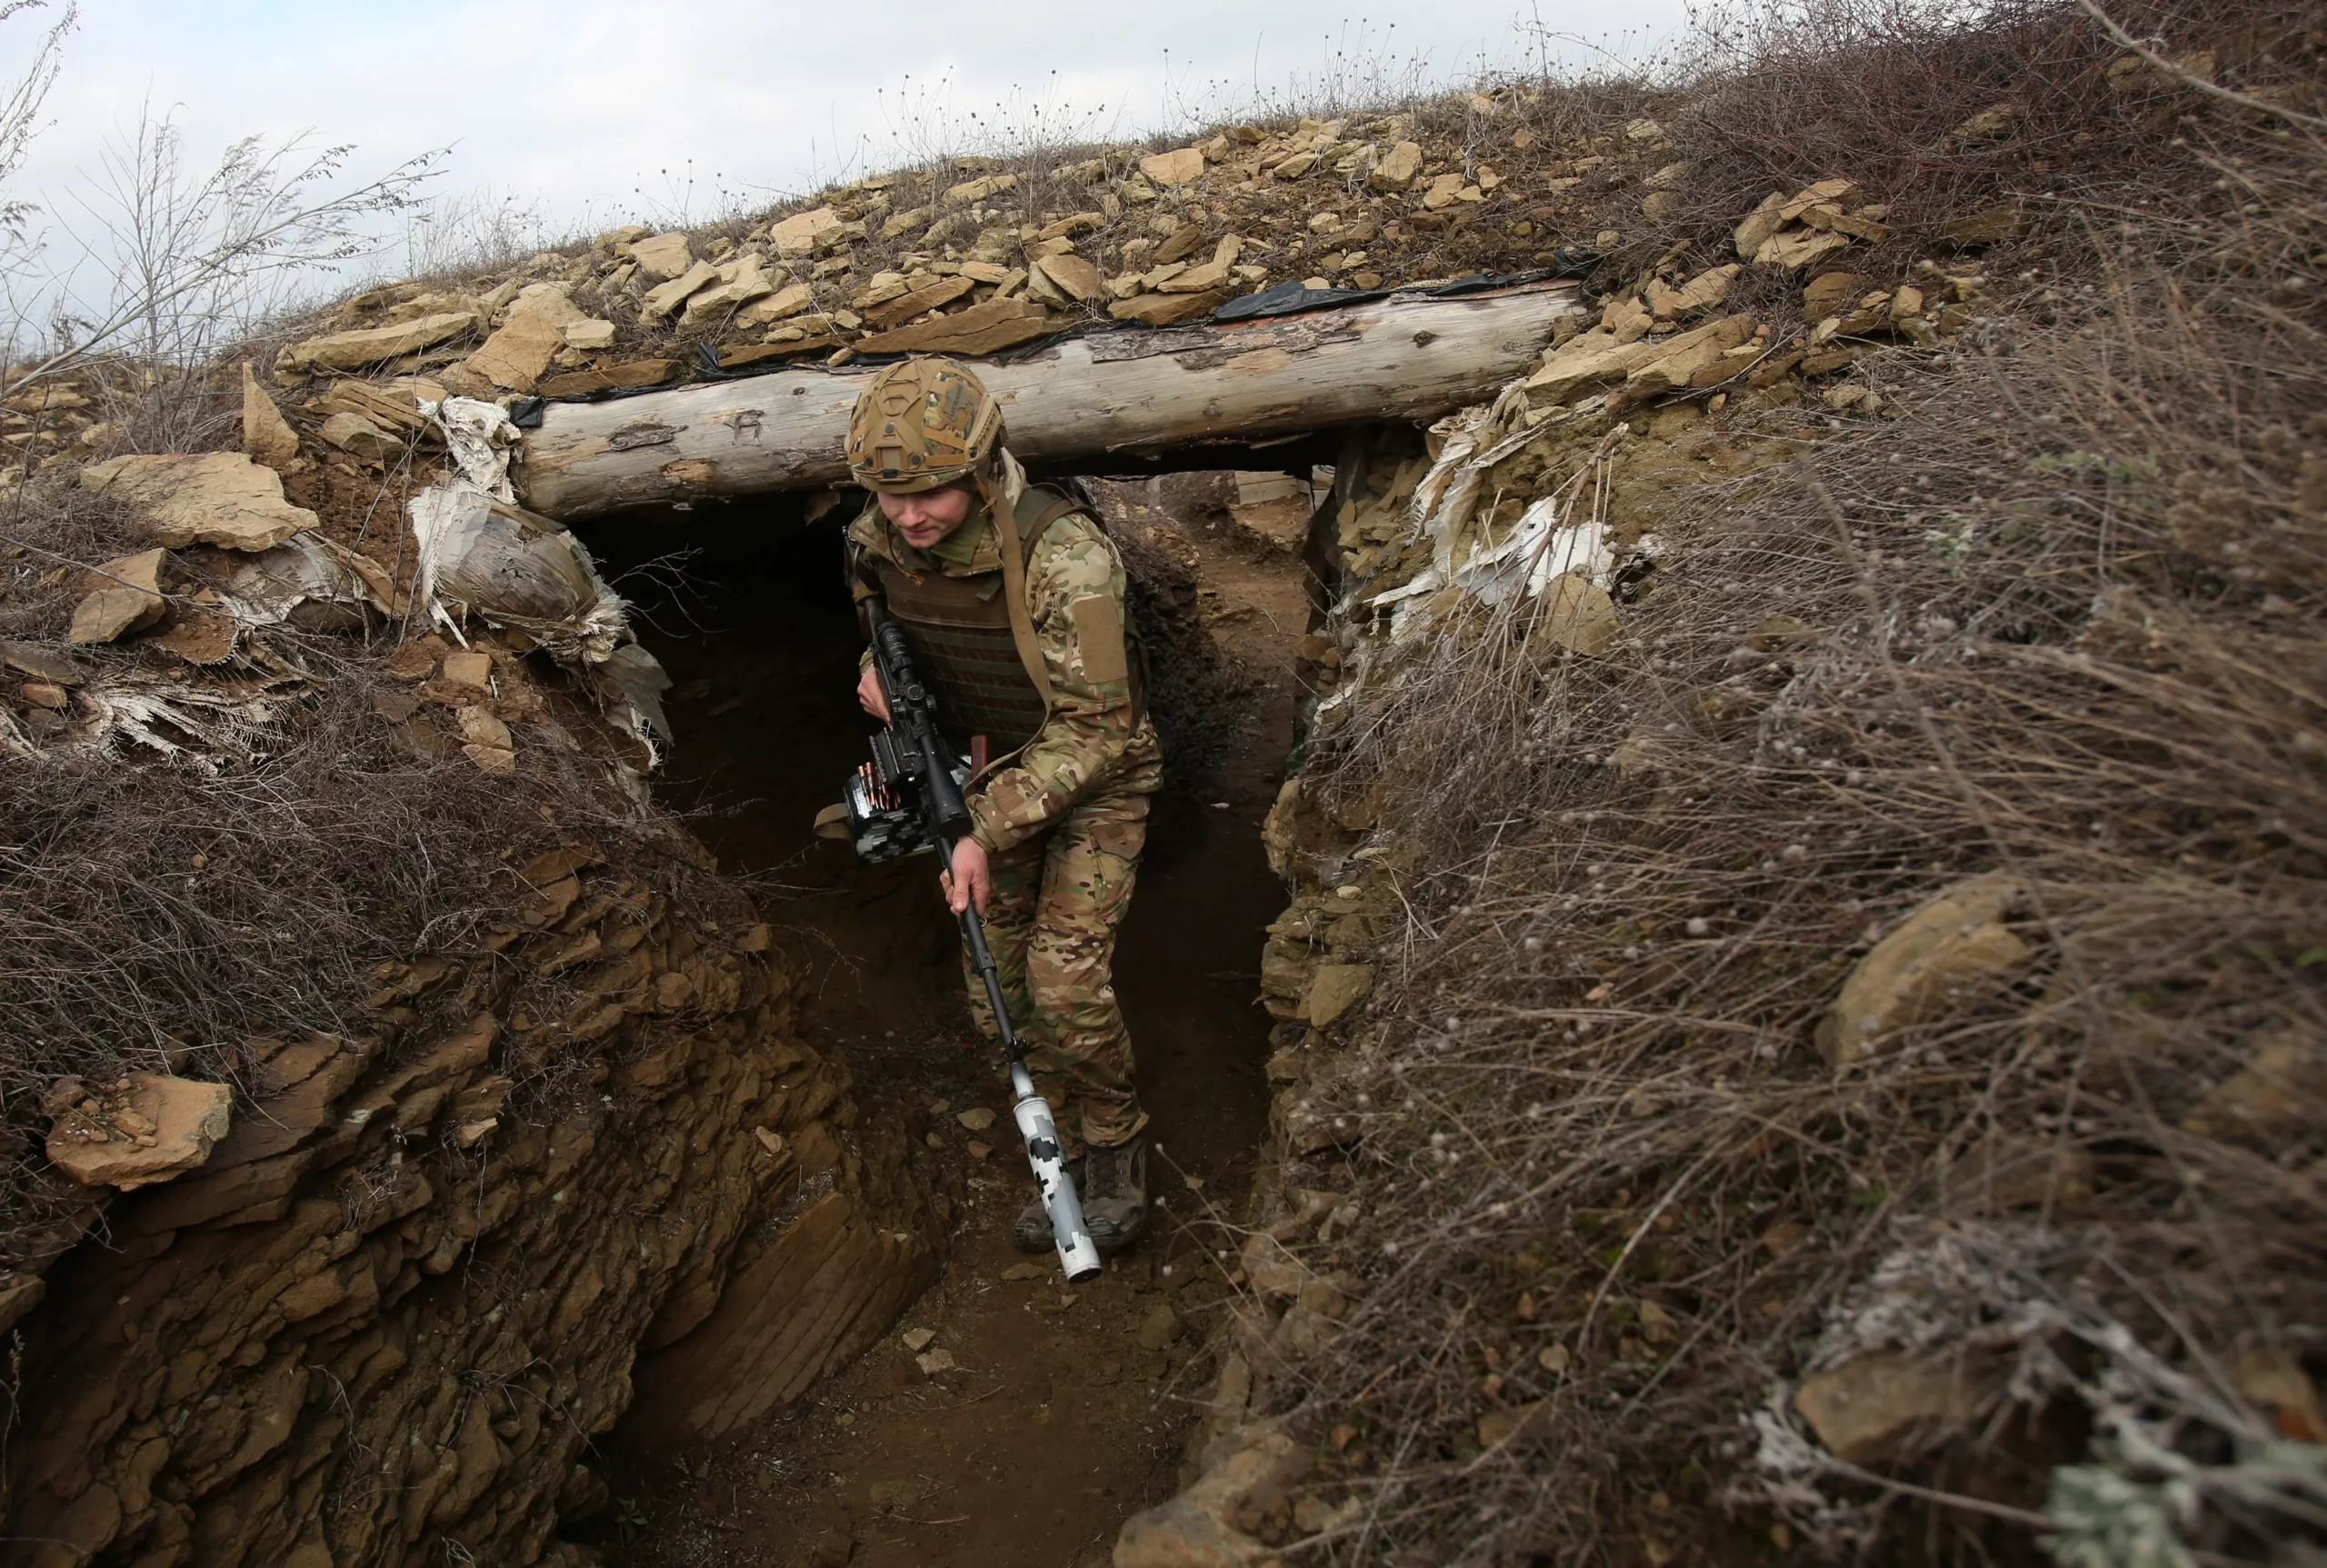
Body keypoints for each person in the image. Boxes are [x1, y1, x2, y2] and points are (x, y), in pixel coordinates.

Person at [842, 355, 1163, 1254]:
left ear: (982, 467)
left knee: (1064, 983)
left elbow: (1100, 731)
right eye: (888, 495)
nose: (909, 517)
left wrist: (977, 828)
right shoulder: (874, 540)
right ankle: (1049, 1136)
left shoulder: (1068, 558)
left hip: (1097, 781)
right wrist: (874, 679)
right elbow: (886, 635)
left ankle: (1113, 1144)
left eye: (931, 493)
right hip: (984, 776)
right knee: (998, 992)